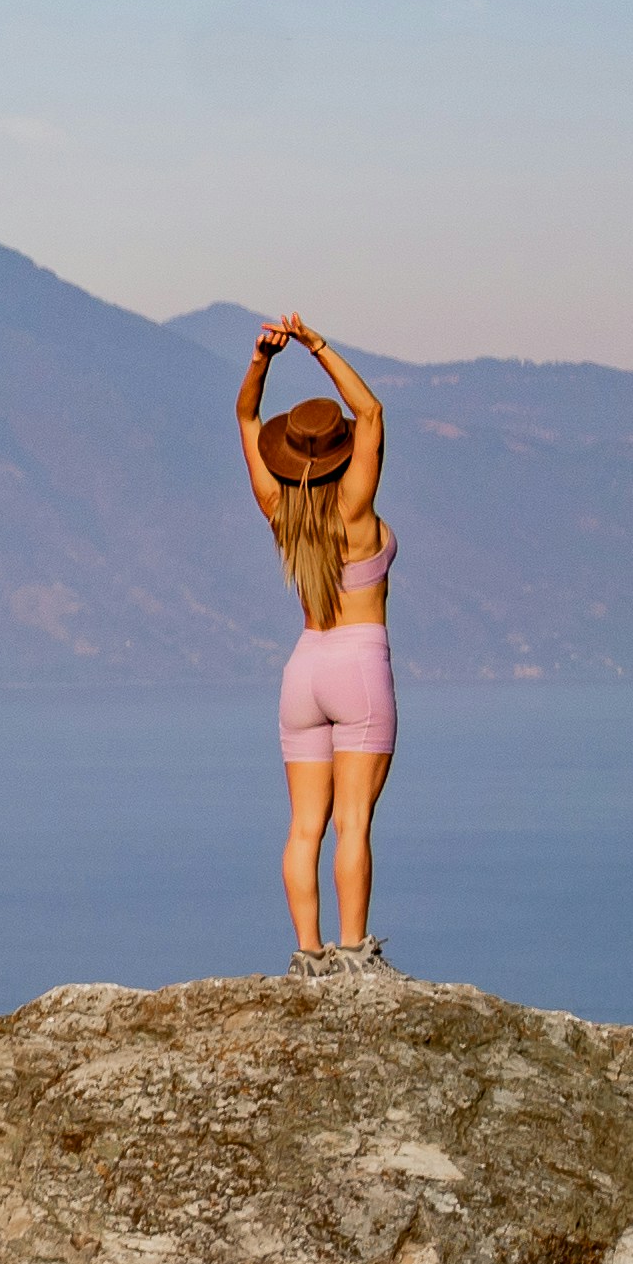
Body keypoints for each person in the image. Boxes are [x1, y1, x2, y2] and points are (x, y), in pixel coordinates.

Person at [237, 317, 396, 975]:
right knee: (351, 823)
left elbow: (247, 420)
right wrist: (319, 346)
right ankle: (354, 956)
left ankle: (308, 957)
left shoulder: (279, 509)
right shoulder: (356, 506)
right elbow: (371, 410)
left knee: (304, 827)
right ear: (336, 453)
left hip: (303, 671)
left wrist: (260, 361)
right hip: (359, 665)